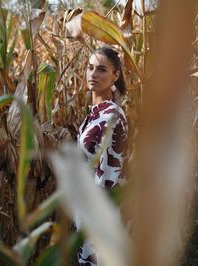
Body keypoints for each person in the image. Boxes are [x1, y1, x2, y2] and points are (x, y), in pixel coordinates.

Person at [77, 46, 128, 266]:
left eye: (101, 69)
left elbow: (109, 175)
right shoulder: (95, 113)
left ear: (115, 75)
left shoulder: (112, 116)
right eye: (90, 68)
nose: (93, 74)